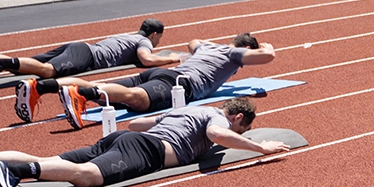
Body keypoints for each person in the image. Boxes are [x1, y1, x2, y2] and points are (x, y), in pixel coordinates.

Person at [0, 96, 294, 187]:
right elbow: (218, 134)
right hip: (145, 150)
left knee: (56, 161)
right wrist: (260, 149)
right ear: (239, 117)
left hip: (125, 138)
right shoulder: (217, 119)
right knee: (86, 176)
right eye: (242, 130)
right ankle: (11, 171)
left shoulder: (191, 108)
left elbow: (140, 121)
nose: (238, 135)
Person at [51, 33, 277, 123]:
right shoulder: (233, 54)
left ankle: (42, 87)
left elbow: (194, 41)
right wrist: (267, 47)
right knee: (136, 99)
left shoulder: (207, 48)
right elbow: (268, 56)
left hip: (160, 75)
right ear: (246, 47)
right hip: (179, 84)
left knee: (106, 90)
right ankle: (80, 94)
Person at [0, 14, 178, 93]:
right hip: (86, 56)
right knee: (47, 72)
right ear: (155, 34)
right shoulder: (143, 42)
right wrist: (173, 58)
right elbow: (146, 60)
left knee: (30, 63)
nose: (159, 42)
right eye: (160, 38)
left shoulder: (127, 35)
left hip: (79, 47)